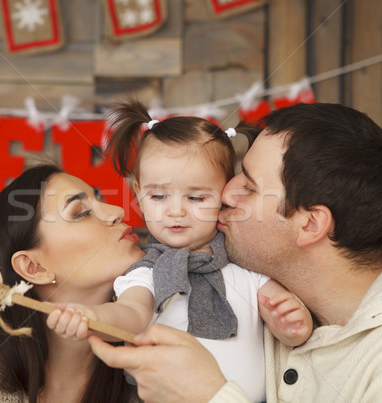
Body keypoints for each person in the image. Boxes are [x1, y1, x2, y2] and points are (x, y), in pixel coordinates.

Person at [88, 102, 382, 402]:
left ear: (310, 225)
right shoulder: (264, 289)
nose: (226, 195)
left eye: (249, 185)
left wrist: (211, 395)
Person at [47, 100, 313, 401]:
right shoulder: (146, 270)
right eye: (158, 195)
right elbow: (131, 313)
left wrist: (292, 324)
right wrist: (91, 318)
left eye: (196, 198)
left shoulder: (244, 262)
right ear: (138, 193)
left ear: (225, 193)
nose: (175, 211)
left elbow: (284, 313)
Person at [0, 163, 145, 403]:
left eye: (100, 199)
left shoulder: (154, 364)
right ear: (34, 268)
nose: (117, 211)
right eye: (81, 212)